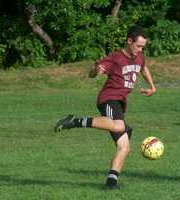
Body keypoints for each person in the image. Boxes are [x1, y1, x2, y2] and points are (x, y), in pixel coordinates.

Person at [54, 25, 156, 189]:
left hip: (120, 104)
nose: (140, 49)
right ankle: (75, 122)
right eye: (138, 46)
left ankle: (111, 183)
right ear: (129, 41)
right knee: (119, 126)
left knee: (124, 147)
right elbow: (94, 73)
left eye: (143, 46)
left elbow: (143, 67)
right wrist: (95, 70)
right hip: (108, 99)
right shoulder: (115, 58)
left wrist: (152, 86)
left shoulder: (140, 56)